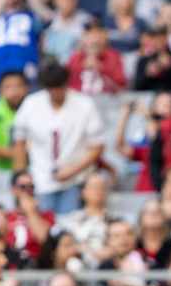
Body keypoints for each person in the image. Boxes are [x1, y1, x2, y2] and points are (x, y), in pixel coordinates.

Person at [12, 61, 107, 214]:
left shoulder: (84, 105)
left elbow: (97, 147)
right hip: (40, 178)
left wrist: (72, 170)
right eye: (51, 89)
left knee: (70, 226)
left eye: (59, 88)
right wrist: (20, 174)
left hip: (76, 179)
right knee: (43, 228)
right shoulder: (31, 104)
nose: (56, 93)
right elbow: (19, 142)